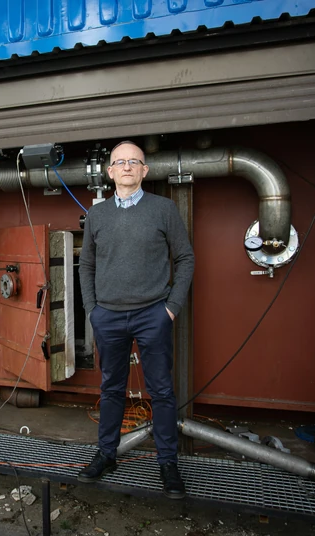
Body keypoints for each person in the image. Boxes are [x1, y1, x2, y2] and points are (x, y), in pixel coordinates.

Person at [77, 140, 195, 499]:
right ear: (110, 172)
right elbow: (87, 265)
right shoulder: (96, 215)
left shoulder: (164, 209)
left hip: (152, 315)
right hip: (108, 316)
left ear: (144, 170)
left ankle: (167, 463)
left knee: (161, 391)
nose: (126, 166)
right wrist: (92, 310)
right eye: (120, 162)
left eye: (134, 161)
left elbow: (185, 258)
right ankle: (107, 455)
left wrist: (171, 308)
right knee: (111, 388)